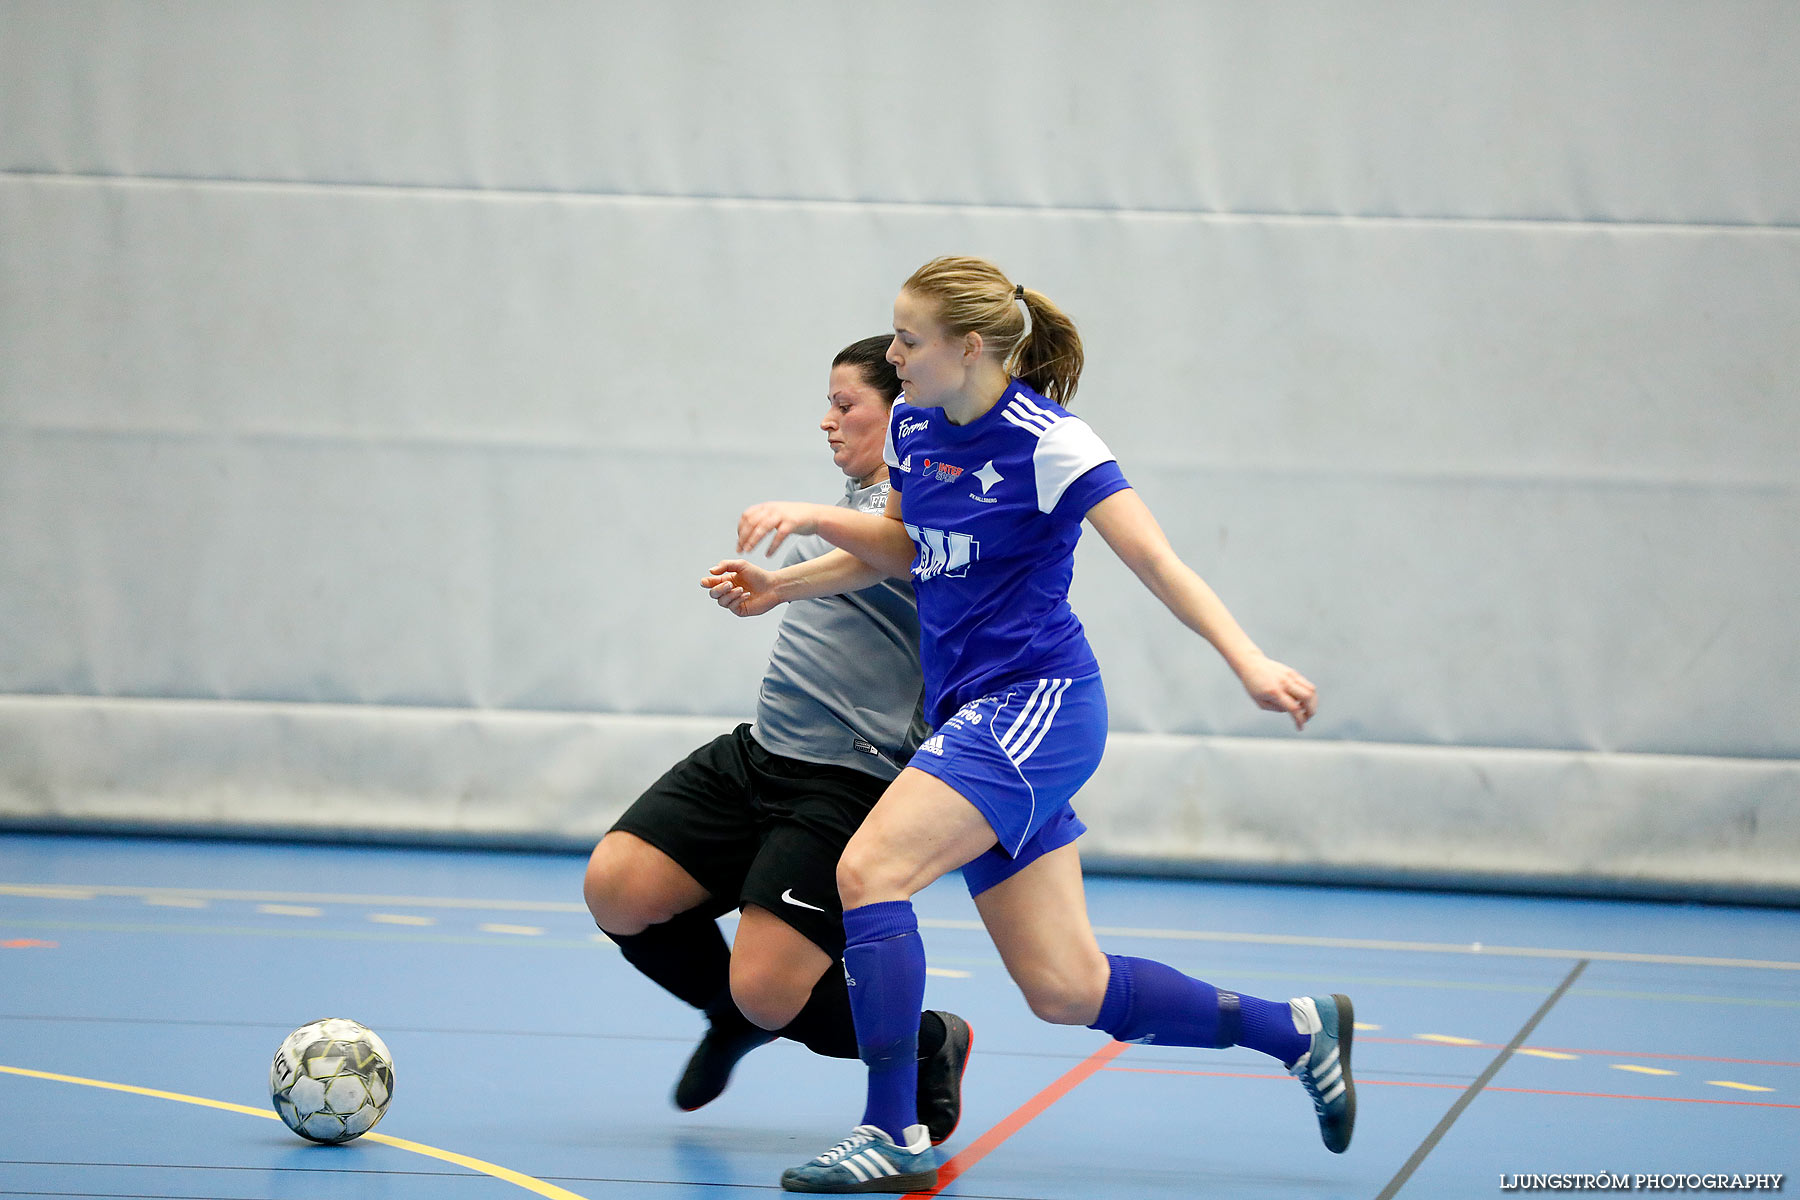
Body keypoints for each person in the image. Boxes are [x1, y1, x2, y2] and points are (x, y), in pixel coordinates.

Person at [709, 257, 1347, 1194]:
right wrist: (786, 580)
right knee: (1065, 988)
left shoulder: (1053, 443)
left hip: (1038, 704)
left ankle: (893, 1130)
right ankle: (1293, 1029)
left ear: (969, 347)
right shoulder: (919, 425)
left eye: (908, 340)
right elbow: (904, 548)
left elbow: (1159, 560)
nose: (892, 355)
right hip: (978, 713)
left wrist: (1247, 659)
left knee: (868, 871)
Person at [583, 335, 972, 1145]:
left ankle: (932, 1043)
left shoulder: (931, 513)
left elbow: (892, 555)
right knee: (618, 887)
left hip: (848, 781)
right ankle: (731, 1017)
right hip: (760, 755)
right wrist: (770, 585)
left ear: (901, 412)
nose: (826, 421)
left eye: (844, 405)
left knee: (770, 987)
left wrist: (805, 526)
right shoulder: (851, 506)